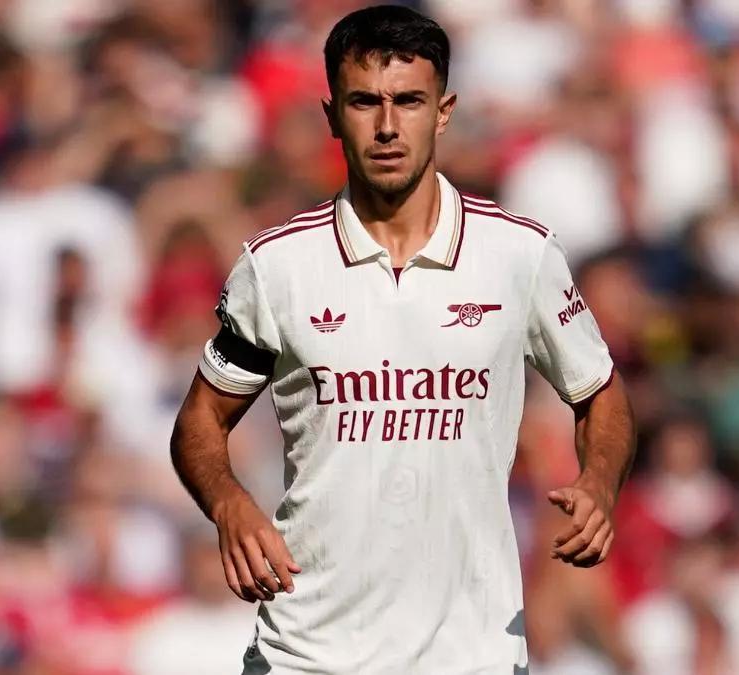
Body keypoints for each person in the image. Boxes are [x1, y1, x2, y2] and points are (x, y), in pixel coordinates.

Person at [169, 5, 636, 672]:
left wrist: (599, 482)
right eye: (365, 102)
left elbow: (600, 392)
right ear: (332, 116)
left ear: (444, 112)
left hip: (470, 653)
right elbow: (200, 419)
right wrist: (228, 503)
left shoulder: (519, 254)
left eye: (409, 101)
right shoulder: (278, 267)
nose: (387, 126)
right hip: (307, 652)